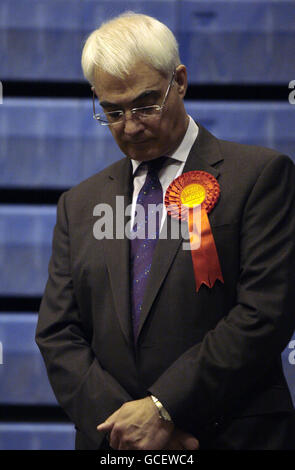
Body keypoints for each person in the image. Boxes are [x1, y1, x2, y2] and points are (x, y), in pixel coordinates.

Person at [36, 12, 295, 450]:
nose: (131, 126)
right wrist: (125, 427)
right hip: (115, 444)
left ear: (180, 80)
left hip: (230, 435)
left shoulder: (260, 176)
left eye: (146, 104)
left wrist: (163, 408)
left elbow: (265, 314)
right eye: (112, 112)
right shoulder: (78, 204)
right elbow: (58, 333)